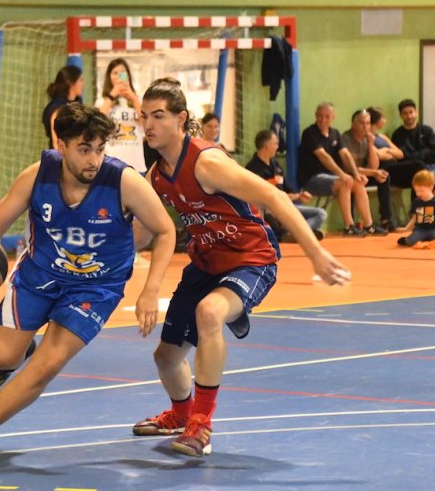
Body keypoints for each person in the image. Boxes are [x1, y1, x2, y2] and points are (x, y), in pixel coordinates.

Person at [134, 78, 349, 458]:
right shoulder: (155, 178)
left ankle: (201, 425)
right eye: (144, 116)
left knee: (210, 312)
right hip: (206, 264)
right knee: (166, 358)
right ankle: (181, 415)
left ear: (181, 119)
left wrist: (314, 253)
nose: (148, 124)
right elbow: (138, 235)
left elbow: (273, 195)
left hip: (251, 259)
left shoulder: (207, 163)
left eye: (158, 116)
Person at [0, 102, 176, 466]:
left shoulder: (123, 181)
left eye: (101, 149)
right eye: (84, 149)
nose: (94, 159)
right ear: (62, 145)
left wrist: (150, 289)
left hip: (95, 289)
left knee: (46, 366)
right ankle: (17, 351)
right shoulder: (36, 176)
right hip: (38, 277)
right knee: (2, 357)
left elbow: (166, 230)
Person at [297, 102, 378, 236]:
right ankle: (349, 226)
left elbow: (345, 154)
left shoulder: (335, 133)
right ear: (315, 116)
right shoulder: (310, 133)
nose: (323, 119)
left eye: (327, 116)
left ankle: (369, 225)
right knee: (344, 182)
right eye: (320, 116)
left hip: (332, 178)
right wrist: (342, 174)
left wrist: (356, 174)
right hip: (312, 179)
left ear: (333, 117)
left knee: (358, 184)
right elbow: (323, 157)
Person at [245, 130, 327, 241]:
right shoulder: (252, 168)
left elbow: (288, 190)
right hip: (269, 209)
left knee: (320, 214)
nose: (277, 147)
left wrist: (300, 195)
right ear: (267, 145)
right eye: (275, 143)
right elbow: (262, 198)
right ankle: (298, 234)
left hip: (286, 206)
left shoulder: (276, 165)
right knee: (268, 213)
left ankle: (296, 234)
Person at [341, 110, 392, 232]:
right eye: (361, 123)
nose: (365, 127)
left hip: (361, 175)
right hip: (346, 175)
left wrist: (370, 145)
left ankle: (386, 219)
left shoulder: (367, 139)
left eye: (368, 123)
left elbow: (374, 166)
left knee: (384, 177)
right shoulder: (345, 139)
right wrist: (374, 173)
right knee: (355, 180)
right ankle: (352, 223)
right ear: (353, 124)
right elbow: (350, 168)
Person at [96, 58, 145, 172]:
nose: (119, 76)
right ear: (109, 77)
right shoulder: (102, 100)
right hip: (112, 162)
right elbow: (97, 121)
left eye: (122, 72)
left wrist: (134, 99)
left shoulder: (137, 100)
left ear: (128, 75)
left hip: (136, 163)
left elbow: (145, 123)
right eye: (115, 73)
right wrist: (113, 95)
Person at [397, 170, 435, 246]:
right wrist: (406, 228)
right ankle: (419, 238)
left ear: (431, 187)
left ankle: (427, 238)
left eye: (422, 191)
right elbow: (414, 218)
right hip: (420, 230)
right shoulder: (416, 202)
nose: (418, 193)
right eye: (416, 191)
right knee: (411, 242)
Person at [42, 65, 84, 150]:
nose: (83, 83)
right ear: (71, 83)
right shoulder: (59, 109)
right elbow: (57, 142)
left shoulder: (76, 104)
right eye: (80, 80)